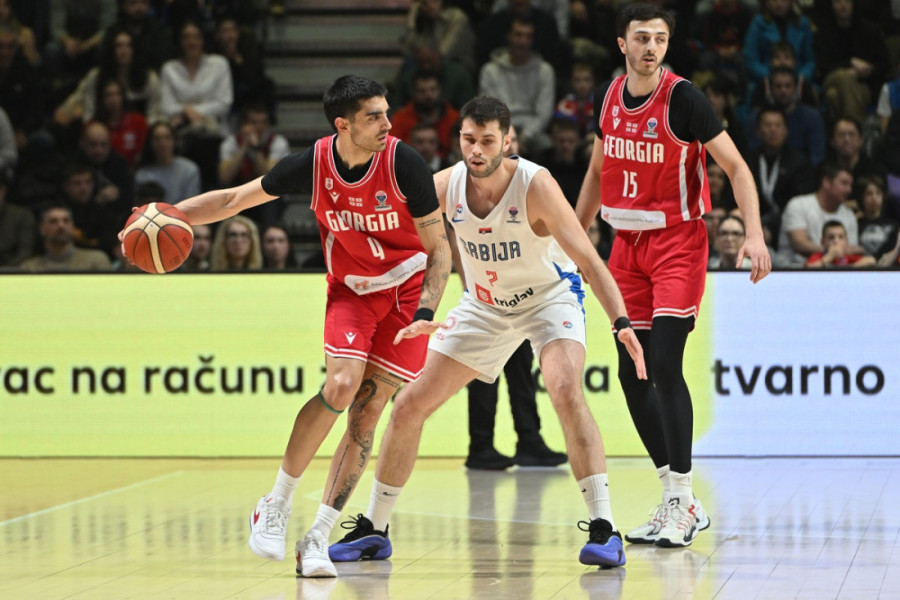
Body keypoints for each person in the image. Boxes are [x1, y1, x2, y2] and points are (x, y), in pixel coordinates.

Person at [120, 75, 452, 577]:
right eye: (374, 116)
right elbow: (233, 200)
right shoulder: (313, 166)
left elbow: (439, 249)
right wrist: (162, 216)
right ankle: (274, 502)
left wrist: (426, 312)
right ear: (343, 125)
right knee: (340, 386)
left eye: (387, 112)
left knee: (367, 414)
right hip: (353, 291)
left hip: (407, 291)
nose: (388, 123)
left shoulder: (405, 162)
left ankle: (317, 535)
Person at [318, 95, 645, 572]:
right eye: (469, 139)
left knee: (563, 388)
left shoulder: (536, 185)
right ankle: (376, 528)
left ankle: (603, 528)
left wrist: (621, 324)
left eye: (488, 140)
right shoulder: (445, 185)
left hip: (548, 298)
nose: (476, 149)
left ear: (507, 141)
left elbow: (592, 261)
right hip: (484, 307)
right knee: (408, 406)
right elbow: (391, 227)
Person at [575, 3, 771, 549]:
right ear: (622, 44)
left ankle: (681, 497)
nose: (651, 47)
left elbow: (736, 167)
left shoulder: (683, 99)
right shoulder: (607, 97)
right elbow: (596, 171)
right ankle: (676, 498)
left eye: (660, 38)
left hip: (677, 242)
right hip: (624, 245)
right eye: (642, 38)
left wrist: (753, 234)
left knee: (662, 362)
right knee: (631, 371)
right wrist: (572, 240)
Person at [479, 15, 555, 157]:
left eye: (528, 36)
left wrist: (525, 137)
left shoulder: (545, 71)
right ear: (509, 36)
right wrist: (510, 138)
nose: (523, 41)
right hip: (499, 129)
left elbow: (544, 114)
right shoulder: (490, 70)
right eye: (518, 35)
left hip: (533, 133)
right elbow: (489, 110)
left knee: (547, 147)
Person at [217, 102, 290, 228]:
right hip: (241, 192)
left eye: (263, 122)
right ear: (243, 124)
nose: (259, 127)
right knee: (224, 196)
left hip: (269, 195)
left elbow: (269, 177)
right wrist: (243, 147)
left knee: (270, 199)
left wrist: (256, 148)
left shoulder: (277, 142)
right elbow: (225, 177)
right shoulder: (231, 143)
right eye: (253, 122)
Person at [777, 162, 862, 265]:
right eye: (844, 183)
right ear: (826, 182)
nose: (849, 190)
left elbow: (851, 251)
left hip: (833, 273)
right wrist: (831, 253)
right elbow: (799, 244)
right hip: (793, 271)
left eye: (850, 185)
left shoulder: (849, 215)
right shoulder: (798, 205)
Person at [388, 72, 460, 162]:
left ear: (440, 91)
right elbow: (393, 151)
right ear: (414, 93)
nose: (428, 95)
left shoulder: (455, 118)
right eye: (422, 91)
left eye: (433, 90)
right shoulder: (400, 119)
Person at [22, 203, 112, 271]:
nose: (61, 226)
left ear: (73, 227)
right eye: (53, 221)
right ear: (42, 229)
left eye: (66, 221)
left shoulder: (96, 260)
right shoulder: (30, 268)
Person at [135, 121, 202, 204]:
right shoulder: (142, 174)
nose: (162, 143)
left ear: (175, 141)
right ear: (150, 143)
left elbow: (193, 204)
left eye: (167, 138)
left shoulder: (189, 170)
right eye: (157, 139)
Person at [805, 219, 875, 268]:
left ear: (846, 241)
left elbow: (871, 261)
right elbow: (807, 270)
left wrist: (847, 270)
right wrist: (828, 258)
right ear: (822, 242)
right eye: (831, 237)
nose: (836, 241)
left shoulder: (847, 257)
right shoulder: (818, 256)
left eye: (840, 237)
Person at [0, 173, 34, 268]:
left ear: (3, 191)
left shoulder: (21, 215)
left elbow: (25, 253)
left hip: (13, 272)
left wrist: (5, 273)